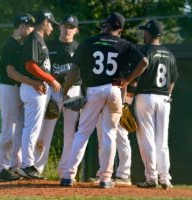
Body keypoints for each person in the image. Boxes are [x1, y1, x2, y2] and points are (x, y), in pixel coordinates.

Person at [60, 12, 148, 188]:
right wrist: (127, 80)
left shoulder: (90, 42)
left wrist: (66, 90)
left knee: (83, 132)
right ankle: (105, 178)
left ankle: (68, 176)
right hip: (115, 89)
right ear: (120, 30)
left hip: (94, 89)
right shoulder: (124, 44)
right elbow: (144, 62)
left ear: (105, 25)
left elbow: (74, 70)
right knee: (109, 134)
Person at [0, 13, 46, 182]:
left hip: (21, 88)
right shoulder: (10, 45)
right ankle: (2, 169)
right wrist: (32, 82)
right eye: (27, 25)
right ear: (20, 27)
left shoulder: (25, 44)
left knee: (21, 128)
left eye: (31, 26)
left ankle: (15, 166)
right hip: (10, 88)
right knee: (8, 129)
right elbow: (11, 72)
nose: (30, 28)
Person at [34, 15, 81, 178]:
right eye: (65, 25)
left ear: (76, 30)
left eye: (71, 27)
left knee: (71, 133)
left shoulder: (79, 48)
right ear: (60, 27)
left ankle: (66, 171)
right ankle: (36, 169)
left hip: (74, 91)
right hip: (54, 90)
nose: (67, 29)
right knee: (45, 129)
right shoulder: (50, 46)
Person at [135, 19, 179, 189]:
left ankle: (151, 177)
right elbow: (172, 80)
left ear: (148, 33)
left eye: (144, 32)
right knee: (162, 141)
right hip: (164, 99)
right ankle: (165, 178)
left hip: (145, 98)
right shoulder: (170, 54)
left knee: (147, 138)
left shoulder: (144, 51)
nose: (143, 35)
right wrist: (168, 96)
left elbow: (136, 78)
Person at [18, 9, 61, 179]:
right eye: (51, 24)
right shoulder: (34, 38)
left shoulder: (38, 39)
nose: (53, 28)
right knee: (32, 128)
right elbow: (30, 65)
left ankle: (28, 164)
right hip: (34, 89)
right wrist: (51, 79)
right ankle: (27, 165)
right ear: (45, 22)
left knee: (33, 128)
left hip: (38, 89)